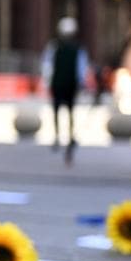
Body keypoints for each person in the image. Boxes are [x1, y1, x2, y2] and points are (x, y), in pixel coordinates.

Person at [42, 16, 89, 157]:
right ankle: (61, 136)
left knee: (66, 111)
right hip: (64, 83)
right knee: (64, 110)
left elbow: (47, 65)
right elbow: (48, 65)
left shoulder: (62, 47)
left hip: (64, 83)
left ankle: (66, 136)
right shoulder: (56, 47)